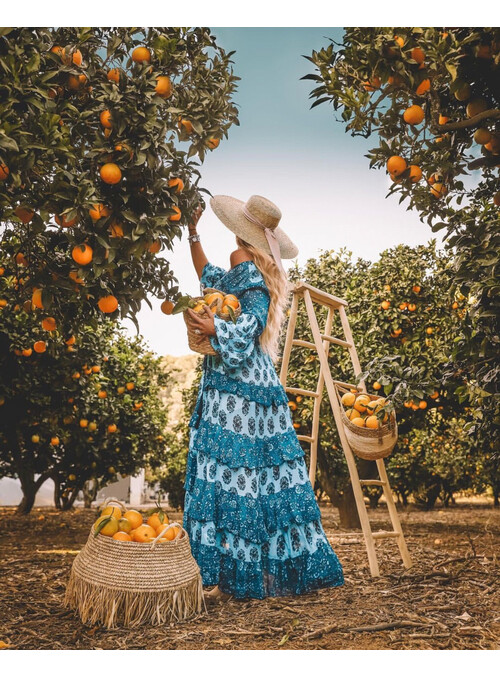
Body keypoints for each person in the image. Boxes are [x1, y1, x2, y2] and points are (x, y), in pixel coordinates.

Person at [183, 194, 344, 600]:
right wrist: (192, 232)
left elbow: (247, 324)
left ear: (243, 232)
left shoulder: (243, 262)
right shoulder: (257, 271)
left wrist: (214, 327)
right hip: (257, 390)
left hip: (237, 388)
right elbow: (210, 278)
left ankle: (231, 576)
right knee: (258, 478)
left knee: (227, 474)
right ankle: (255, 572)